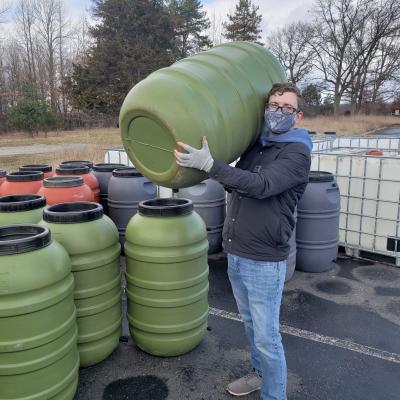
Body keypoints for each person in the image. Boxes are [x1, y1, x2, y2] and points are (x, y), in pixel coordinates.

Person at [174, 82, 312, 400]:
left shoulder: (297, 153)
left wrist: (210, 165)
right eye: (273, 105)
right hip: (236, 250)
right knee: (251, 325)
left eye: (286, 108)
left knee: (267, 337)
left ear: (298, 116)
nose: (278, 112)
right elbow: (237, 184)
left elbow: (262, 185)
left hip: (264, 258)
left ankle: (273, 395)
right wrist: (213, 165)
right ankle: (259, 375)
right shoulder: (257, 146)